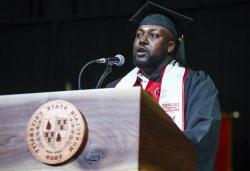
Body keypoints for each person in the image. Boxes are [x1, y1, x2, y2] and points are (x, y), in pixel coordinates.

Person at [106, 1, 221, 171]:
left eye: (153, 35)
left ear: (170, 46)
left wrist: (148, 148)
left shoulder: (195, 84)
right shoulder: (114, 89)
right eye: (139, 34)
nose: (143, 40)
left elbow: (202, 134)